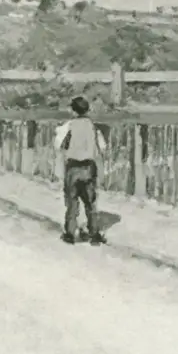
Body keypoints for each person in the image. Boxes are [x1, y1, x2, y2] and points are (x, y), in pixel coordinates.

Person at [54, 96, 108, 245]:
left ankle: (70, 234)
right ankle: (94, 233)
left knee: (72, 202)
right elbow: (102, 147)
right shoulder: (92, 126)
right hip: (89, 167)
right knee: (90, 203)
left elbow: (59, 144)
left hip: (73, 167)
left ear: (73, 110)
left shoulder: (69, 126)